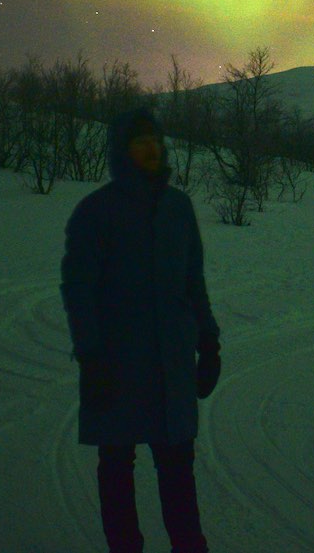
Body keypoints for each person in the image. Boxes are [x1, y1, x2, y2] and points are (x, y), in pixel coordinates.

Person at [61, 107, 222, 553]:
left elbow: (194, 282)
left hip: (171, 366)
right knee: (116, 471)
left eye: (155, 139)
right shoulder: (96, 213)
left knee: (178, 475)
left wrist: (208, 340)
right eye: (140, 141)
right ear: (121, 150)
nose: (151, 148)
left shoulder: (179, 208)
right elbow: (79, 291)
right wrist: (91, 357)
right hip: (116, 367)